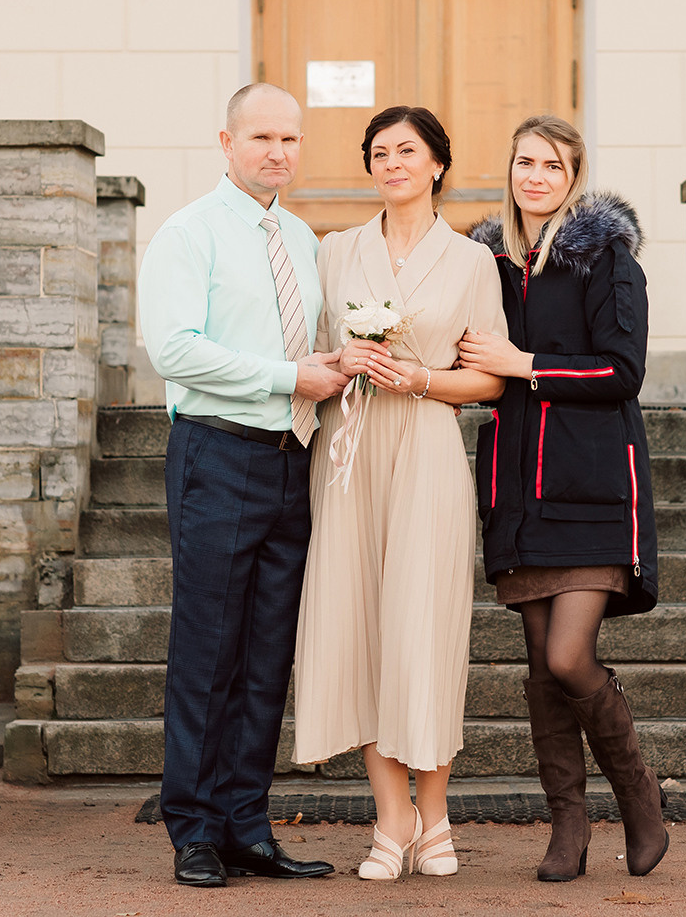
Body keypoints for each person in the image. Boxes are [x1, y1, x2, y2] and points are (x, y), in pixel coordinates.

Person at [136, 83, 352, 888]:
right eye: (262, 136)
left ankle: (246, 823)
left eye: (291, 139)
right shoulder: (188, 234)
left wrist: (328, 369)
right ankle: (192, 825)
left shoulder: (299, 237)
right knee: (208, 648)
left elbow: (301, 342)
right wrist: (286, 375)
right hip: (217, 454)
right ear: (225, 141)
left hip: (291, 459)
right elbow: (176, 350)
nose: (279, 152)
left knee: (268, 650)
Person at [290, 105, 508, 882]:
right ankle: (390, 819)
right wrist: (342, 359)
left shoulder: (472, 262)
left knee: (425, 628)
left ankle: (437, 813)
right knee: (363, 628)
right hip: (350, 450)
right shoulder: (336, 250)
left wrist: (421, 376)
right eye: (379, 152)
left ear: (438, 164)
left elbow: (490, 375)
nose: (393, 163)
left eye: (407, 150)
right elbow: (308, 351)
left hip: (427, 444)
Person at [459, 114, 667, 881]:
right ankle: (568, 827)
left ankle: (640, 793)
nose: (535, 176)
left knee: (569, 654)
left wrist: (524, 362)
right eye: (524, 162)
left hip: (590, 488)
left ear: (574, 175)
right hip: (517, 490)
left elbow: (622, 370)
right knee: (540, 671)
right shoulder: (486, 264)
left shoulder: (606, 259)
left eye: (551, 164)